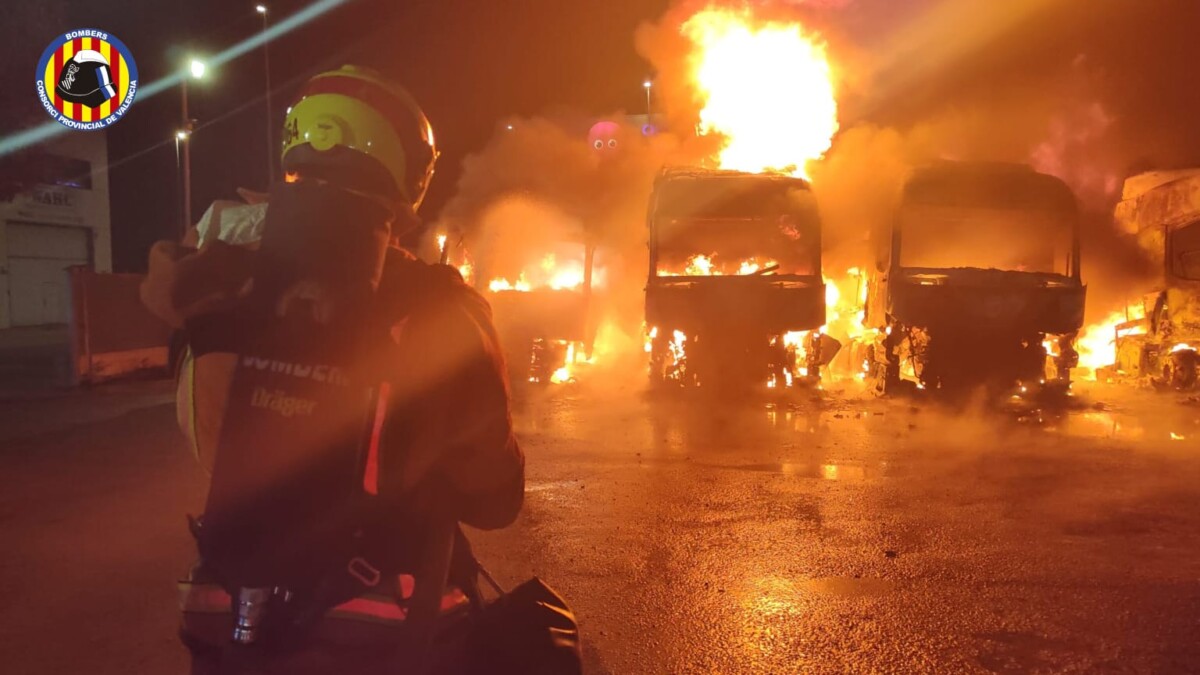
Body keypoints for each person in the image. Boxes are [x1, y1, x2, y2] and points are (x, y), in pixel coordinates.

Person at [141, 66, 524, 673]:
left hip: (230, 615)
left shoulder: (216, 285)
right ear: (408, 172)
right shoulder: (443, 307)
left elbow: (206, 433)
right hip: (386, 625)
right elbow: (496, 500)